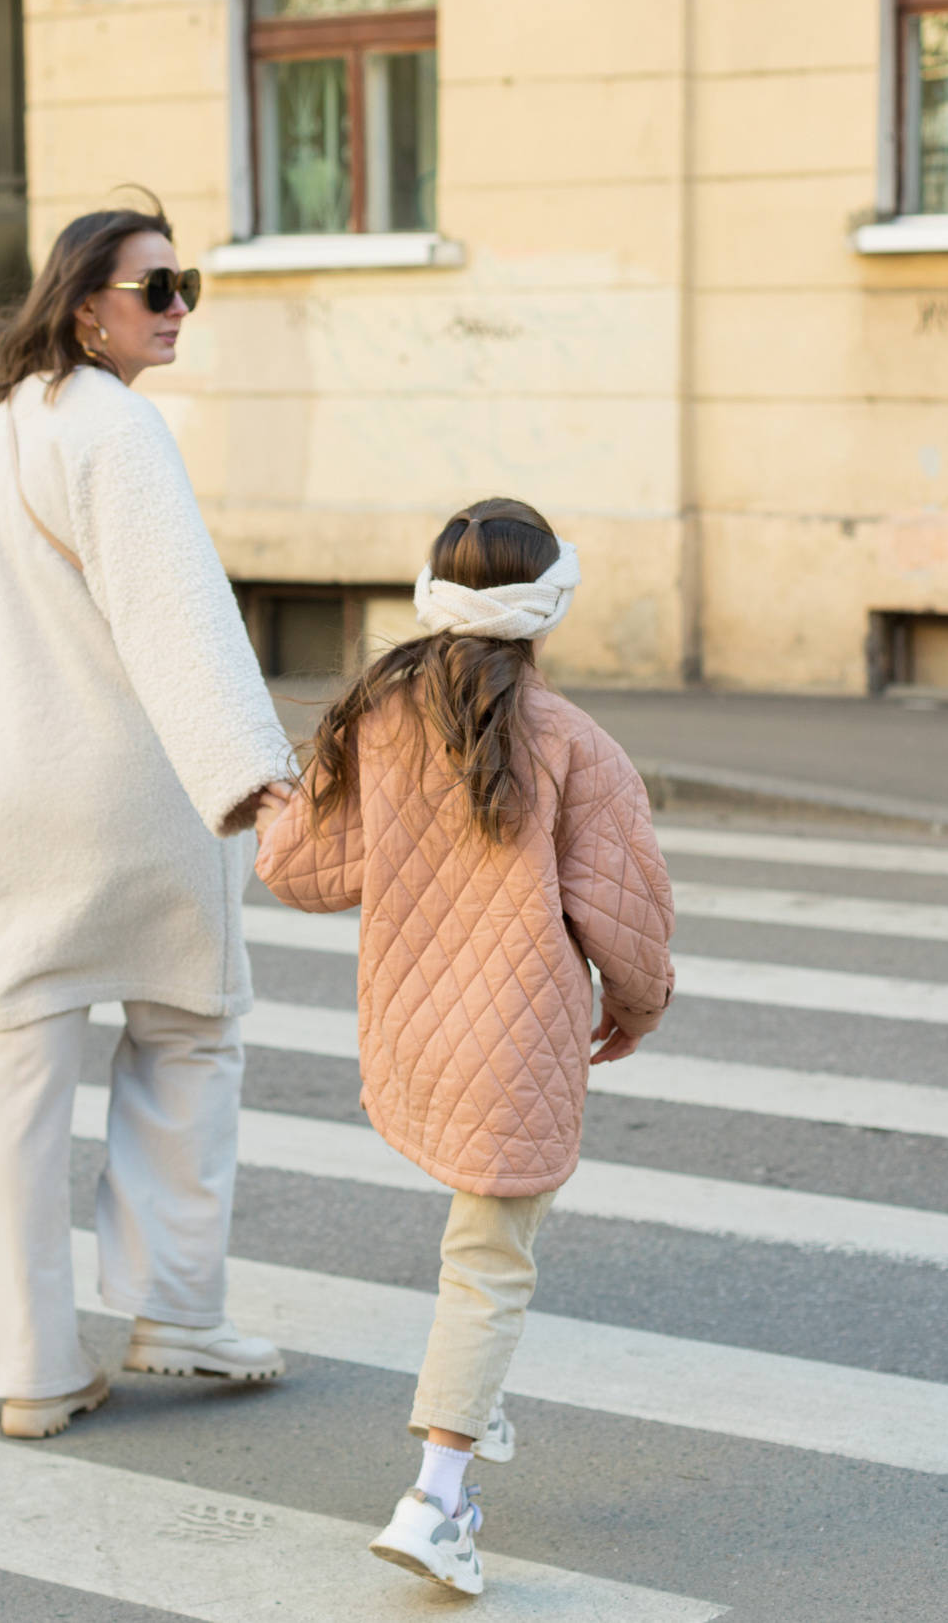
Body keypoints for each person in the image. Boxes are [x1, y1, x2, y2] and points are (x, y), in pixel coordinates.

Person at [252, 500, 676, 1596]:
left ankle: (472, 1409)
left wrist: (274, 808)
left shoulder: (378, 722)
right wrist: (639, 1004)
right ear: (550, 608)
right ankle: (436, 1501)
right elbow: (625, 918)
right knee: (488, 1264)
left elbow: (302, 873)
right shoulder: (575, 742)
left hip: (412, 1023)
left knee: (476, 1252)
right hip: (517, 1039)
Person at [0, 197, 295, 1440]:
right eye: (157, 288)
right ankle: (177, 1309)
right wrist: (257, 777)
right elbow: (179, 622)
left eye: (185, 282)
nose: (179, 307)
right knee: (191, 1031)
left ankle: (32, 1369)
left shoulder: (12, 426)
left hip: (5, 792)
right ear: (86, 303)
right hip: (131, 790)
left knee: (24, 1088)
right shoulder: (119, 431)